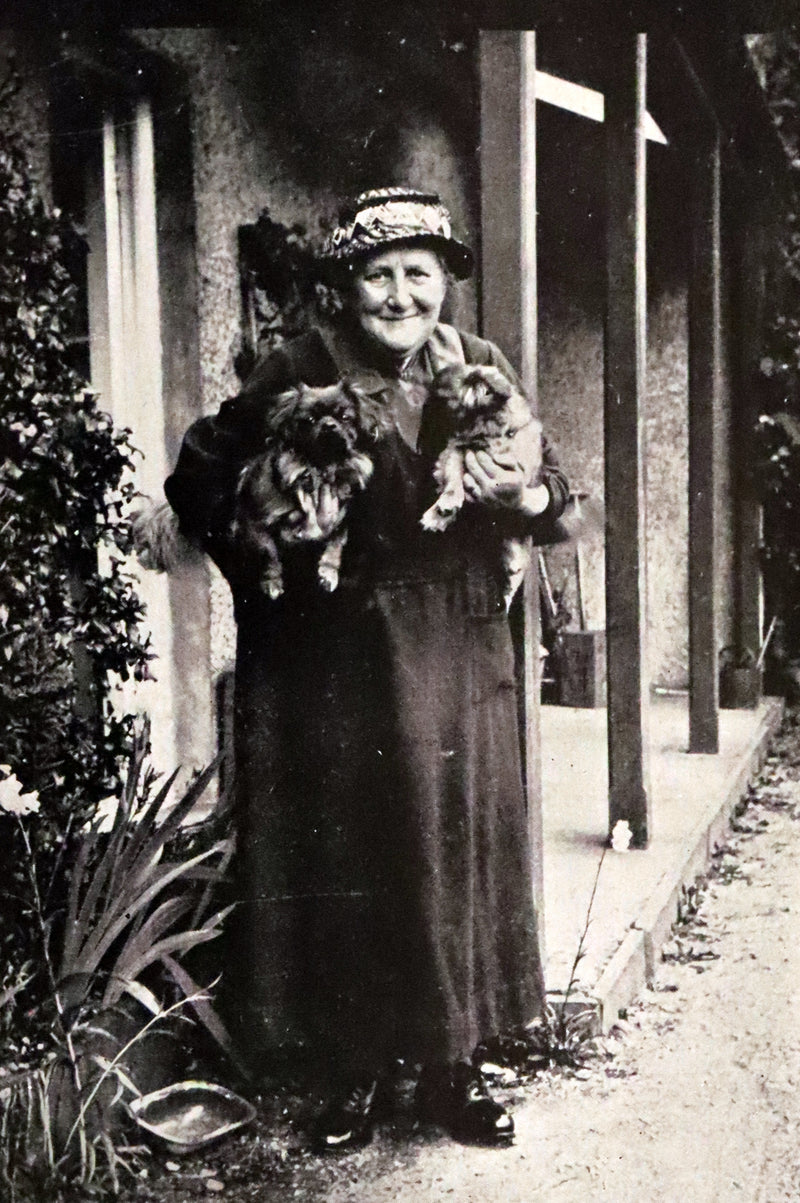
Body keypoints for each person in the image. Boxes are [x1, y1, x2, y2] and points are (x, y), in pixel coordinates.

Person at [164, 188, 569, 1151]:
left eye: (418, 274)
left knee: (450, 851)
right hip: (335, 655)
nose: (399, 295)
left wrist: (532, 497)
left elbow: (557, 485)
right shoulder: (297, 367)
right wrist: (272, 550)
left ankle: (451, 1070)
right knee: (349, 851)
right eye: (378, 275)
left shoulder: (479, 367)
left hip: (459, 650)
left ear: (445, 284)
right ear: (347, 286)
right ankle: (350, 1072)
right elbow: (199, 477)